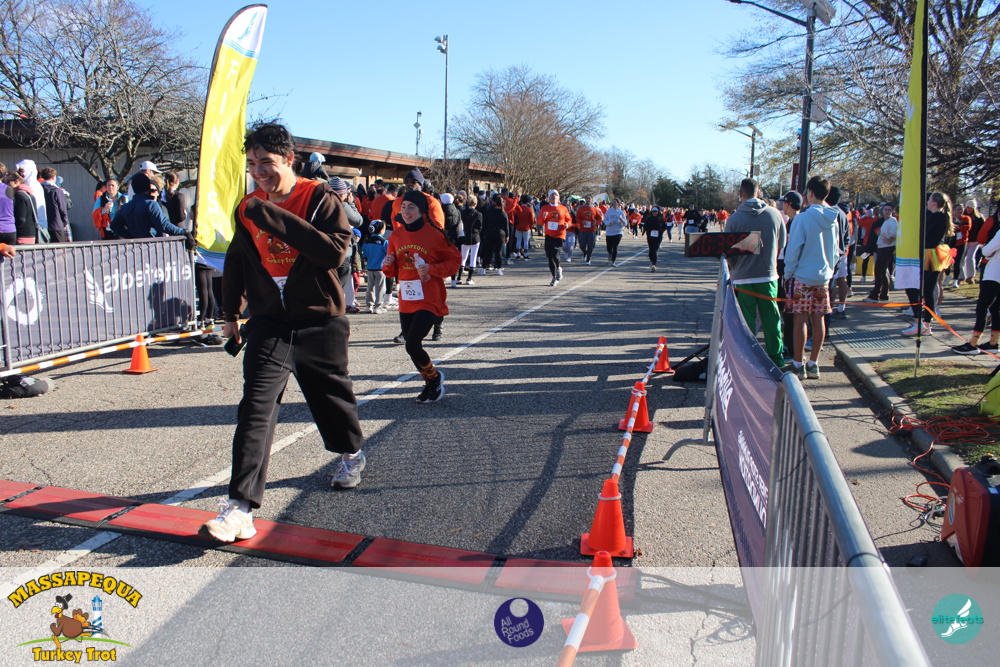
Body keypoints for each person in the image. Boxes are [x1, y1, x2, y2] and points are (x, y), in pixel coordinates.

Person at [200, 121, 366, 544]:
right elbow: (237, 259)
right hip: (270, 322)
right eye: (252, 164)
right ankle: (240, 508)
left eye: (267, 162)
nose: (259, 171)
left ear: (289, 159)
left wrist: (269, 215)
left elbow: (334, 251)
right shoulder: (248, 205)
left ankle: (351, 453)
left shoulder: (319, 197)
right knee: (255, 408)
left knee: (331, 400)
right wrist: (230, 313)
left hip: (319, 320)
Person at [381, 189, 461, 402]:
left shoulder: (435, 234)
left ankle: (433, 379)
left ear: (422, 211)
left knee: (412, 344)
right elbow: (392, 270)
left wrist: (431, 269)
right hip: (407, 297)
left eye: (412, 207)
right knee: (411, 346)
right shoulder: (396, 236)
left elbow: (455, 261)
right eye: (403, 207)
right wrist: (387, 264)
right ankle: (431, 382)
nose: (406, 211)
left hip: (429, 297)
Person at [724, 178, 787, 368]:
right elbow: (782, 243)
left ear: (740, 194)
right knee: (771, 318)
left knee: (746, 320)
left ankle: (748, 359)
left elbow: (728, 250)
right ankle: (776, 358)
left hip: (743, 275)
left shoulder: (734, 218)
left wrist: (735, 267)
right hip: (768, 274)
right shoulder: (775, 214)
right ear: (758, 192)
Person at [782, 176, 839, 380]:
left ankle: (799, 364)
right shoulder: (834, 218)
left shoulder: (802, 219)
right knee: (819, 318)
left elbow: (793, 250)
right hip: (823, 276)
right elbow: (835, 251)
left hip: (803, 275)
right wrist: (829, 270)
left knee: (800, 320)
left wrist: (787, 274)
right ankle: (814, 363)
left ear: (811, 193)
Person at [903, 192, 954, 335]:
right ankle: (926, 324)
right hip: (935, 254)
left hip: (929, 254)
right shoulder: (938, 216)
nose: (927, 202)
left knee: (913, 287)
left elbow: (922, 233)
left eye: (929, 200)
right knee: (929, 289)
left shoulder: (935, 216)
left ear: (934, 203)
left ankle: (918, 321)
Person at [952, 227, 1000, 354]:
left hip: (993, 275)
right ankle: (994, 342)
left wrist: (986, 249)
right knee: (995, 309)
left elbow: (986, 250)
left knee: (982, 308)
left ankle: (973, 343)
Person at [110, 173, 190, 240]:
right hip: (152, 246)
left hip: (134, 247)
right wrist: (183, 232)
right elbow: (164, 225)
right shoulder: (151, 204)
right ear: (147, 187)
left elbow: (114, 226)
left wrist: (130, 236)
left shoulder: (125, 207)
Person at [863, 205, 897, 303]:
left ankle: (875, 295)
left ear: (892, 211)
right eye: (885, 210)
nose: (887, 212)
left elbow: (894, 233)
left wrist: (889, 240)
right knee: (882, 271)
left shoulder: (892, 220)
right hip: (882, 247)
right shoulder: (885, 221)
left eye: (889, 210)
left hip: (887, 248)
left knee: (878, 271)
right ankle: (884, 294)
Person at [538, 189, 571, 286]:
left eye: (555, 195)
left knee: (555, 254)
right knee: (549, 257)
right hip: (549, 235)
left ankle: (558, 268)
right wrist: (543, 217)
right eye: (552, 195)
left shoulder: (563, 208)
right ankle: (554, 277)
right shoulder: (545, 208)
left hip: (560, 235)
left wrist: (567, 224)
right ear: (549, 197)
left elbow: (569, 219)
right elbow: (539, 222)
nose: (554, 197)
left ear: (558, 198)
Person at [15, 159, 47, 241]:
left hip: (37, 226)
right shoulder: (32, 184)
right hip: (34, 226)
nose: (20, 174)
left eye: (22, 171)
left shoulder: (31, 186)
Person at [454, 194, 482, 286]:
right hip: (475, 236)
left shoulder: (462, 213)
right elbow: (480, 226)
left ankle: (459, 277)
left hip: (464, 236)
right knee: (473, 257)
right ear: (475, 203)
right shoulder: (478, 214)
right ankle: (469, 278)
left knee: (463, 257)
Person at [362, 220, 389, 313]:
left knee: (370, 287)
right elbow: (388, 254)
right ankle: (378, 306)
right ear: (381, 230)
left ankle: (369, 305)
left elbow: (364, 254)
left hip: (370, 268)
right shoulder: (384, 242)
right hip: (380, 269)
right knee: (380, 288)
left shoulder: (367, 241)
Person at [6, 172, 39, 244]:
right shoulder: (29, 194)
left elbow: (20, 217)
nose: (6, 185)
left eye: (7, 182)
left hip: (22, 235)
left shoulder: (19, 196)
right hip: (31, 233)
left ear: (16, 181)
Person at [39, 168, 70, 243]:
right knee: (59, 248)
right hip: (56, 224)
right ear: (53, 177)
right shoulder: (57, 191)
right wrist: (65, 222)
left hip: (42, 225)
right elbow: (62, 208)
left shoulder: (39, 189)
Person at [481, 193, 509, 275]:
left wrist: (484, 233)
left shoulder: (489, 211)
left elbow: (485, 223)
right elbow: (506, 226)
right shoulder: (503, 213)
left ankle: (483, 268)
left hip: (489, 232)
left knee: (488, 251)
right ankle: (498, 269)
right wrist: (507, 235)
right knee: (498, 251)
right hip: (500, 233)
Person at [575, 195, 603, 265]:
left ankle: (588, 259)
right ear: (585, 199)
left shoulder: (595, 209)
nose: (588, 200)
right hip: (583, 230)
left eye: (589, 198)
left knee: (590, 245)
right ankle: (585, 252)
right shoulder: (581, 209)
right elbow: (577, 218)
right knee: (582, 245)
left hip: (592, 230)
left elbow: (600, 218)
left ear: (592, 200)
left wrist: (596, 223)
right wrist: (582, 222)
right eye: (587, 198)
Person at [603, 200, 627, 266]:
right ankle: (610, 253)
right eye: (613, 202)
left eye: (615, 202)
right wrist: (608, 223)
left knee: (615, 246)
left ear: (618, 203)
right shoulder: (609, 211)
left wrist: (622, 220)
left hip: (618, 231)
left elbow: (625, 223)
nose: (614, 204)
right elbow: (605, 220)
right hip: (610, 232)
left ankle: (613, 261)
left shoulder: (621, 212)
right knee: (609, 247)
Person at [644, 207, 667, 272]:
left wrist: (660, 230)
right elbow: (646, 227)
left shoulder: (661, 219)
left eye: (656, 212)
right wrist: (650, 229)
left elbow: (664, 227)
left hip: (658, 236)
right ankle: (651, 261)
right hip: (650, 236)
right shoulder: (649, 219)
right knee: (651, 250)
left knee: (654, 250)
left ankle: (654, 265)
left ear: (658, 212)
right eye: (653, 211)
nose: (654, 213)